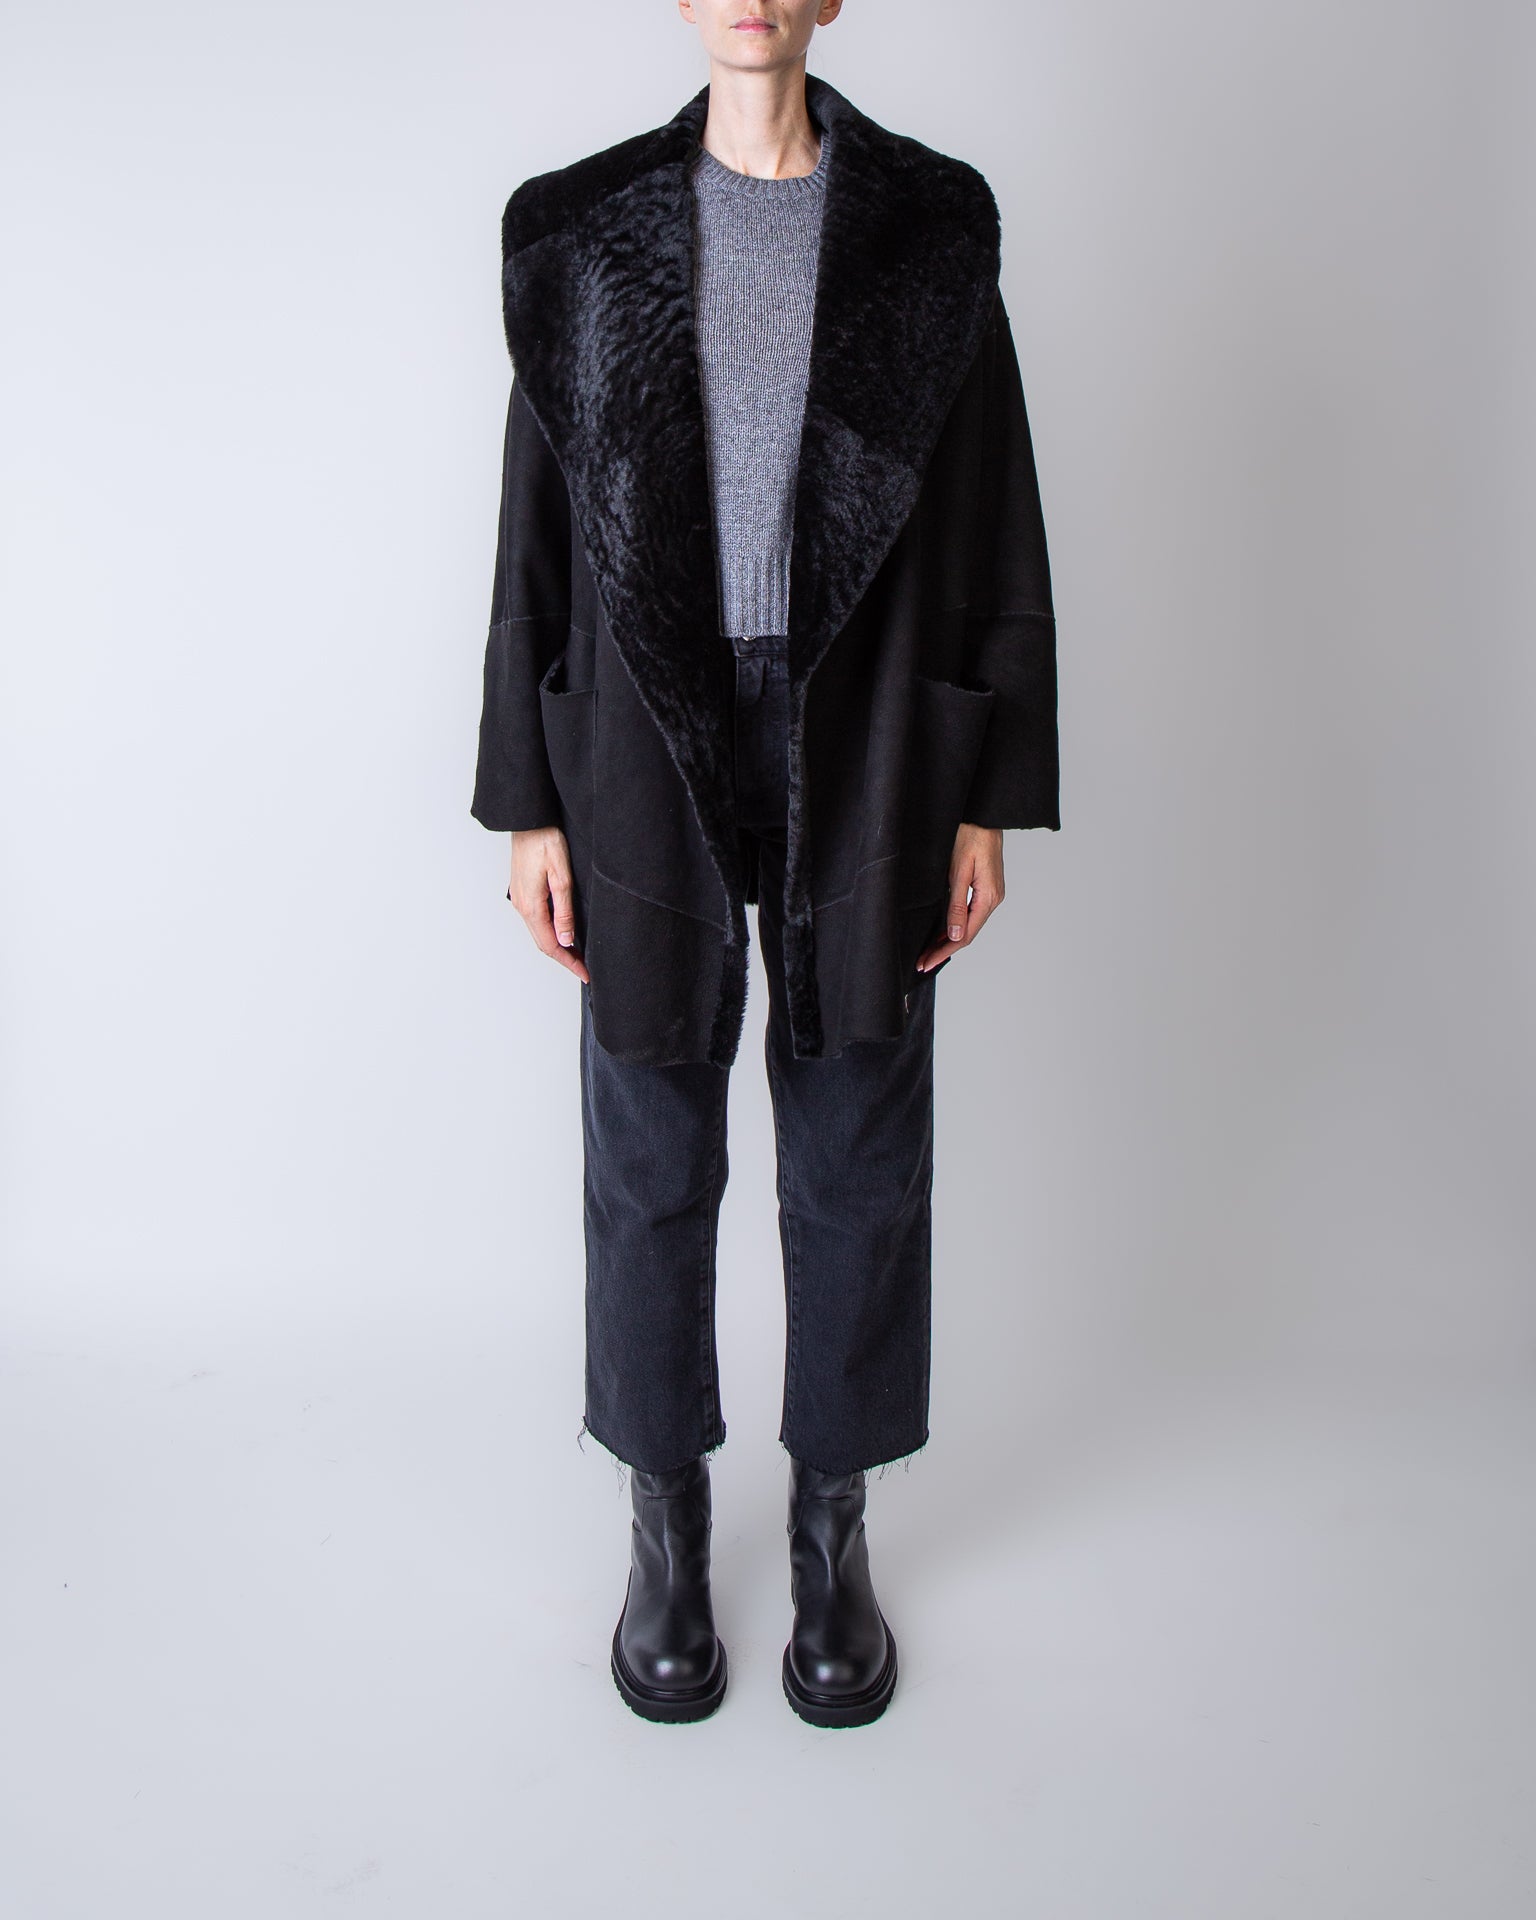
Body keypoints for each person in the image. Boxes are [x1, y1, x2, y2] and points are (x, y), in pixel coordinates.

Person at [472, 0, 1058, 1728]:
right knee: (650, 1140)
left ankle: (832, 1524)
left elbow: (999, 515)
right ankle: (662, 1520)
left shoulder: (931, 237)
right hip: (642, 735)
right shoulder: (583, 238)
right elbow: (533, 530)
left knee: (861, 1142)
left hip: (861, 724)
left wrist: (985, 797)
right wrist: (529, 805)